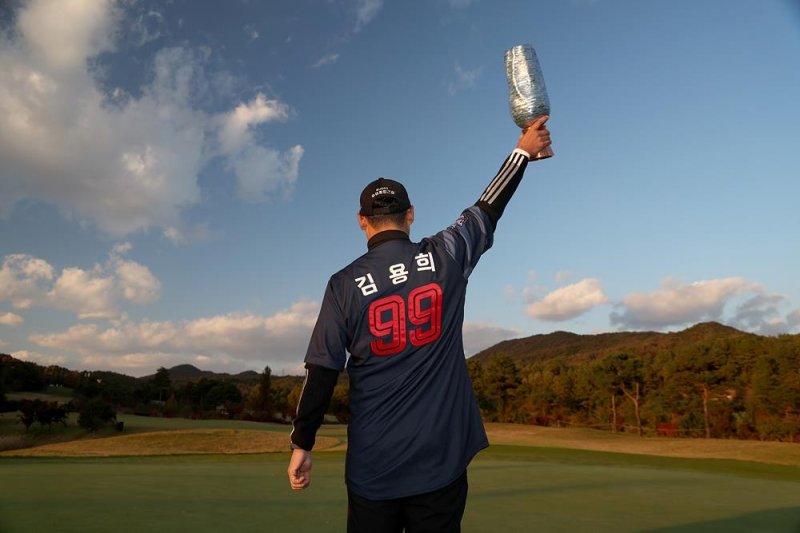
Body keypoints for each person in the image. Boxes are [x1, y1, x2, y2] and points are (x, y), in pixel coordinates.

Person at [288, 116, 552, 532]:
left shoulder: (342, 285)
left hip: (372, 466)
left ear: (361, 220)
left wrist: (303, 441)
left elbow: (321, 371)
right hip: (439, 462)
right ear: (410, 215)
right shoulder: (445, 255)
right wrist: (523, 151)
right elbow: (488, 207)